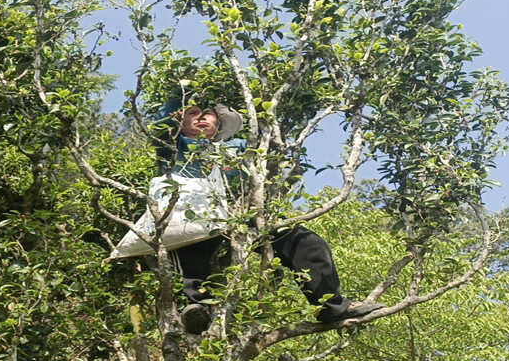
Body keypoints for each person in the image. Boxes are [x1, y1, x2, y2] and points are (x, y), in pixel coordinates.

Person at [150, 94, 382, 334]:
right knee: (191, 244)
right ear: (179, 121)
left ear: (218, 123)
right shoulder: (173, 147)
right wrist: (180, 92)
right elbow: (159, 124)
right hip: (192, 212)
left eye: (207, 113)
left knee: (304, 241)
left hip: (237, 216)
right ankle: (198, 307)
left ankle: (331, 307)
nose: (200, 118)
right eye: (192, 113)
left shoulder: (235, 149)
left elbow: (266, 148)